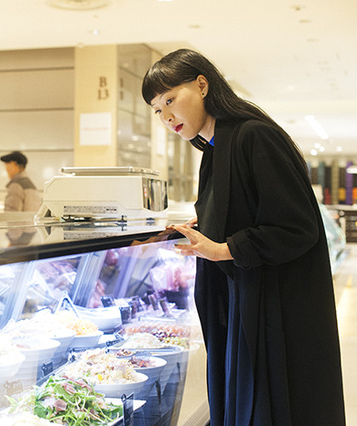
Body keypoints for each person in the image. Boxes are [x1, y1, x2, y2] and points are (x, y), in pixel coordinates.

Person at [141, 48, 345, 425]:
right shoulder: (215, 150)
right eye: (157, 109)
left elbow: (296, 226)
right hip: (246, 301)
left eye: (170, 99)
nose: (167, 116)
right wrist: (190, 231)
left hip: (277, 308)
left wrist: (222, 249)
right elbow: (242, 214)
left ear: (202, 85)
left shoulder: (253, 136)